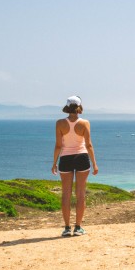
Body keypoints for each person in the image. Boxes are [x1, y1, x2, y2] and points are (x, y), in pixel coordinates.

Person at [52, 95, 98, 236]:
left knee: (66, 194)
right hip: (82, 157)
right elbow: (89, 145)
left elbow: (58, 145)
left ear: (67, 107)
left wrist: (54, 163)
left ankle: (67, 228)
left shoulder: (60, 123)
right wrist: (95, 164)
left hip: (65, 158)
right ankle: (78, 227)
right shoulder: (85, 123)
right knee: (80, 194)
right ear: (79, 106)